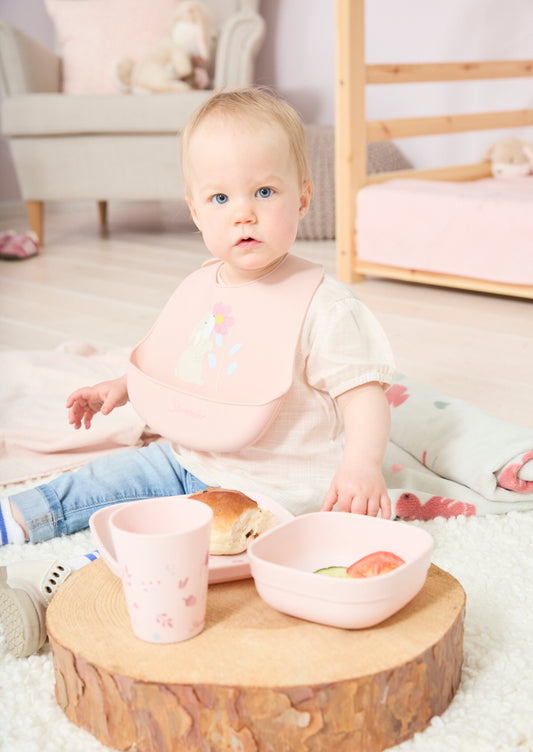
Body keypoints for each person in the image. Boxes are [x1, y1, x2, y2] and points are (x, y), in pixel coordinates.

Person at [0, 87, 395, 657]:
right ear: (194, 210)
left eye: (265, 192)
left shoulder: (325, 307)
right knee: (107, 477)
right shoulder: (202, 287)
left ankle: (54, 586)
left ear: (303, 199)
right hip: (187, 458)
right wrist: (120, 387)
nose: (243, 213)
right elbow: (175, 361)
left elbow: (365, 394)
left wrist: (361, 464)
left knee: (191, 559)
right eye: (220, 197)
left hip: (272, 489)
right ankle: (19, 516)